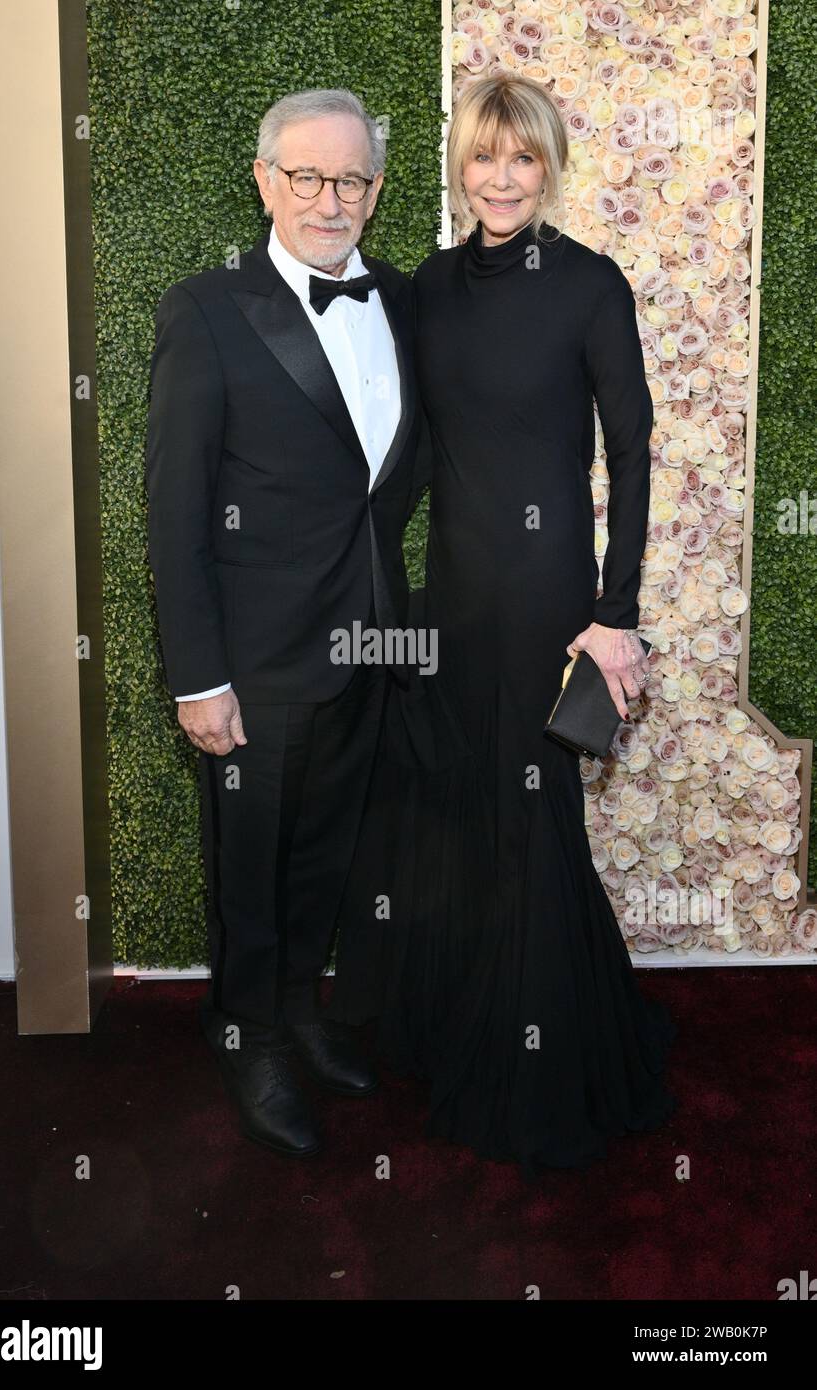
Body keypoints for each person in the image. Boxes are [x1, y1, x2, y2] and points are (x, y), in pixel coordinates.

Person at [328, 74, 678, 1181]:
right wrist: (369, 584)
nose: (499, 178)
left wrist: (611, 616)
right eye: (482, 158)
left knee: (534, 823)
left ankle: (542, 1065)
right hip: (454, 597)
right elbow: (416, 449)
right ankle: (465, 1021)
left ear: (548, 166)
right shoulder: (428, 285)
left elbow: (629, 452)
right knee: (468, 813)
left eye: (520, 159)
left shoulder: (587, 286)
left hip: (543, 601)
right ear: (457, 166)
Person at [145, 88, 426, 1158]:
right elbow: (174, 507)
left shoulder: (401, 301)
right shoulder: (205, 310)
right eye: (304, 174)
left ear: (376, 191)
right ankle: (250, 1032)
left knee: (325, 859)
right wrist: (196, 675)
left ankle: (301, 1010)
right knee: (250, 867)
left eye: (350, 178)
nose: (328, 197)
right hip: (253, 665)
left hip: (368, 648)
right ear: (263, 180)